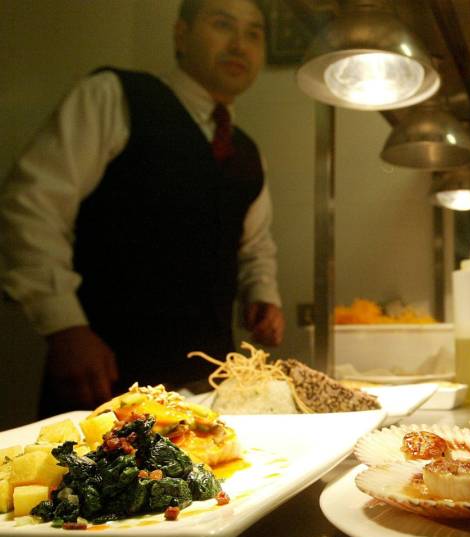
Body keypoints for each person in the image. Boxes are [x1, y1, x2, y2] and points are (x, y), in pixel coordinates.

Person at [0, 0, 284, 417]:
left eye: (254, 34)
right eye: (222, 25)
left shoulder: (246, 150)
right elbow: (32, 205)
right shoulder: (114, 96)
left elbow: (255, 242)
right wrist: (64, 325)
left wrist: (263, 292)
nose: (239, 45)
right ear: (181, 35)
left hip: (208, 386)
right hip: (106, 379)